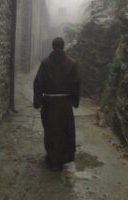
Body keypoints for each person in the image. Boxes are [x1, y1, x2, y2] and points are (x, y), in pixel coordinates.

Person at [33, 37, 80, 171]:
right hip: (65, 104)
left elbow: (38, 83)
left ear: (52, 46)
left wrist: (38, 101)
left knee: (51, 131)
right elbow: (76, 83)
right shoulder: (72, 64)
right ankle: (64, 158)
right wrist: (74, 101)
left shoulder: (45, 63)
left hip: (49, 104)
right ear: (63, 46)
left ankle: (53, 159)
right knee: (65, 131)